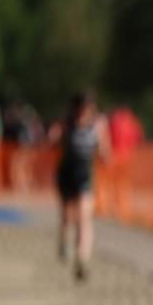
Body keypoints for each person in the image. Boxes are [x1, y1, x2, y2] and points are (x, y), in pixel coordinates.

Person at [53, 91, 110, 282]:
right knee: (67, 217)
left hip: (85, 176)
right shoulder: (67, 124)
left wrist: (104, 155)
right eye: (82, 110)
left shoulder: (98, 125)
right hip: (67, 174)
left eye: (88, 110)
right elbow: (55, 144)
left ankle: (82, 260)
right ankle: (64, 242)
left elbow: (104, 151)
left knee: (84, 219)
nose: (85, 114)